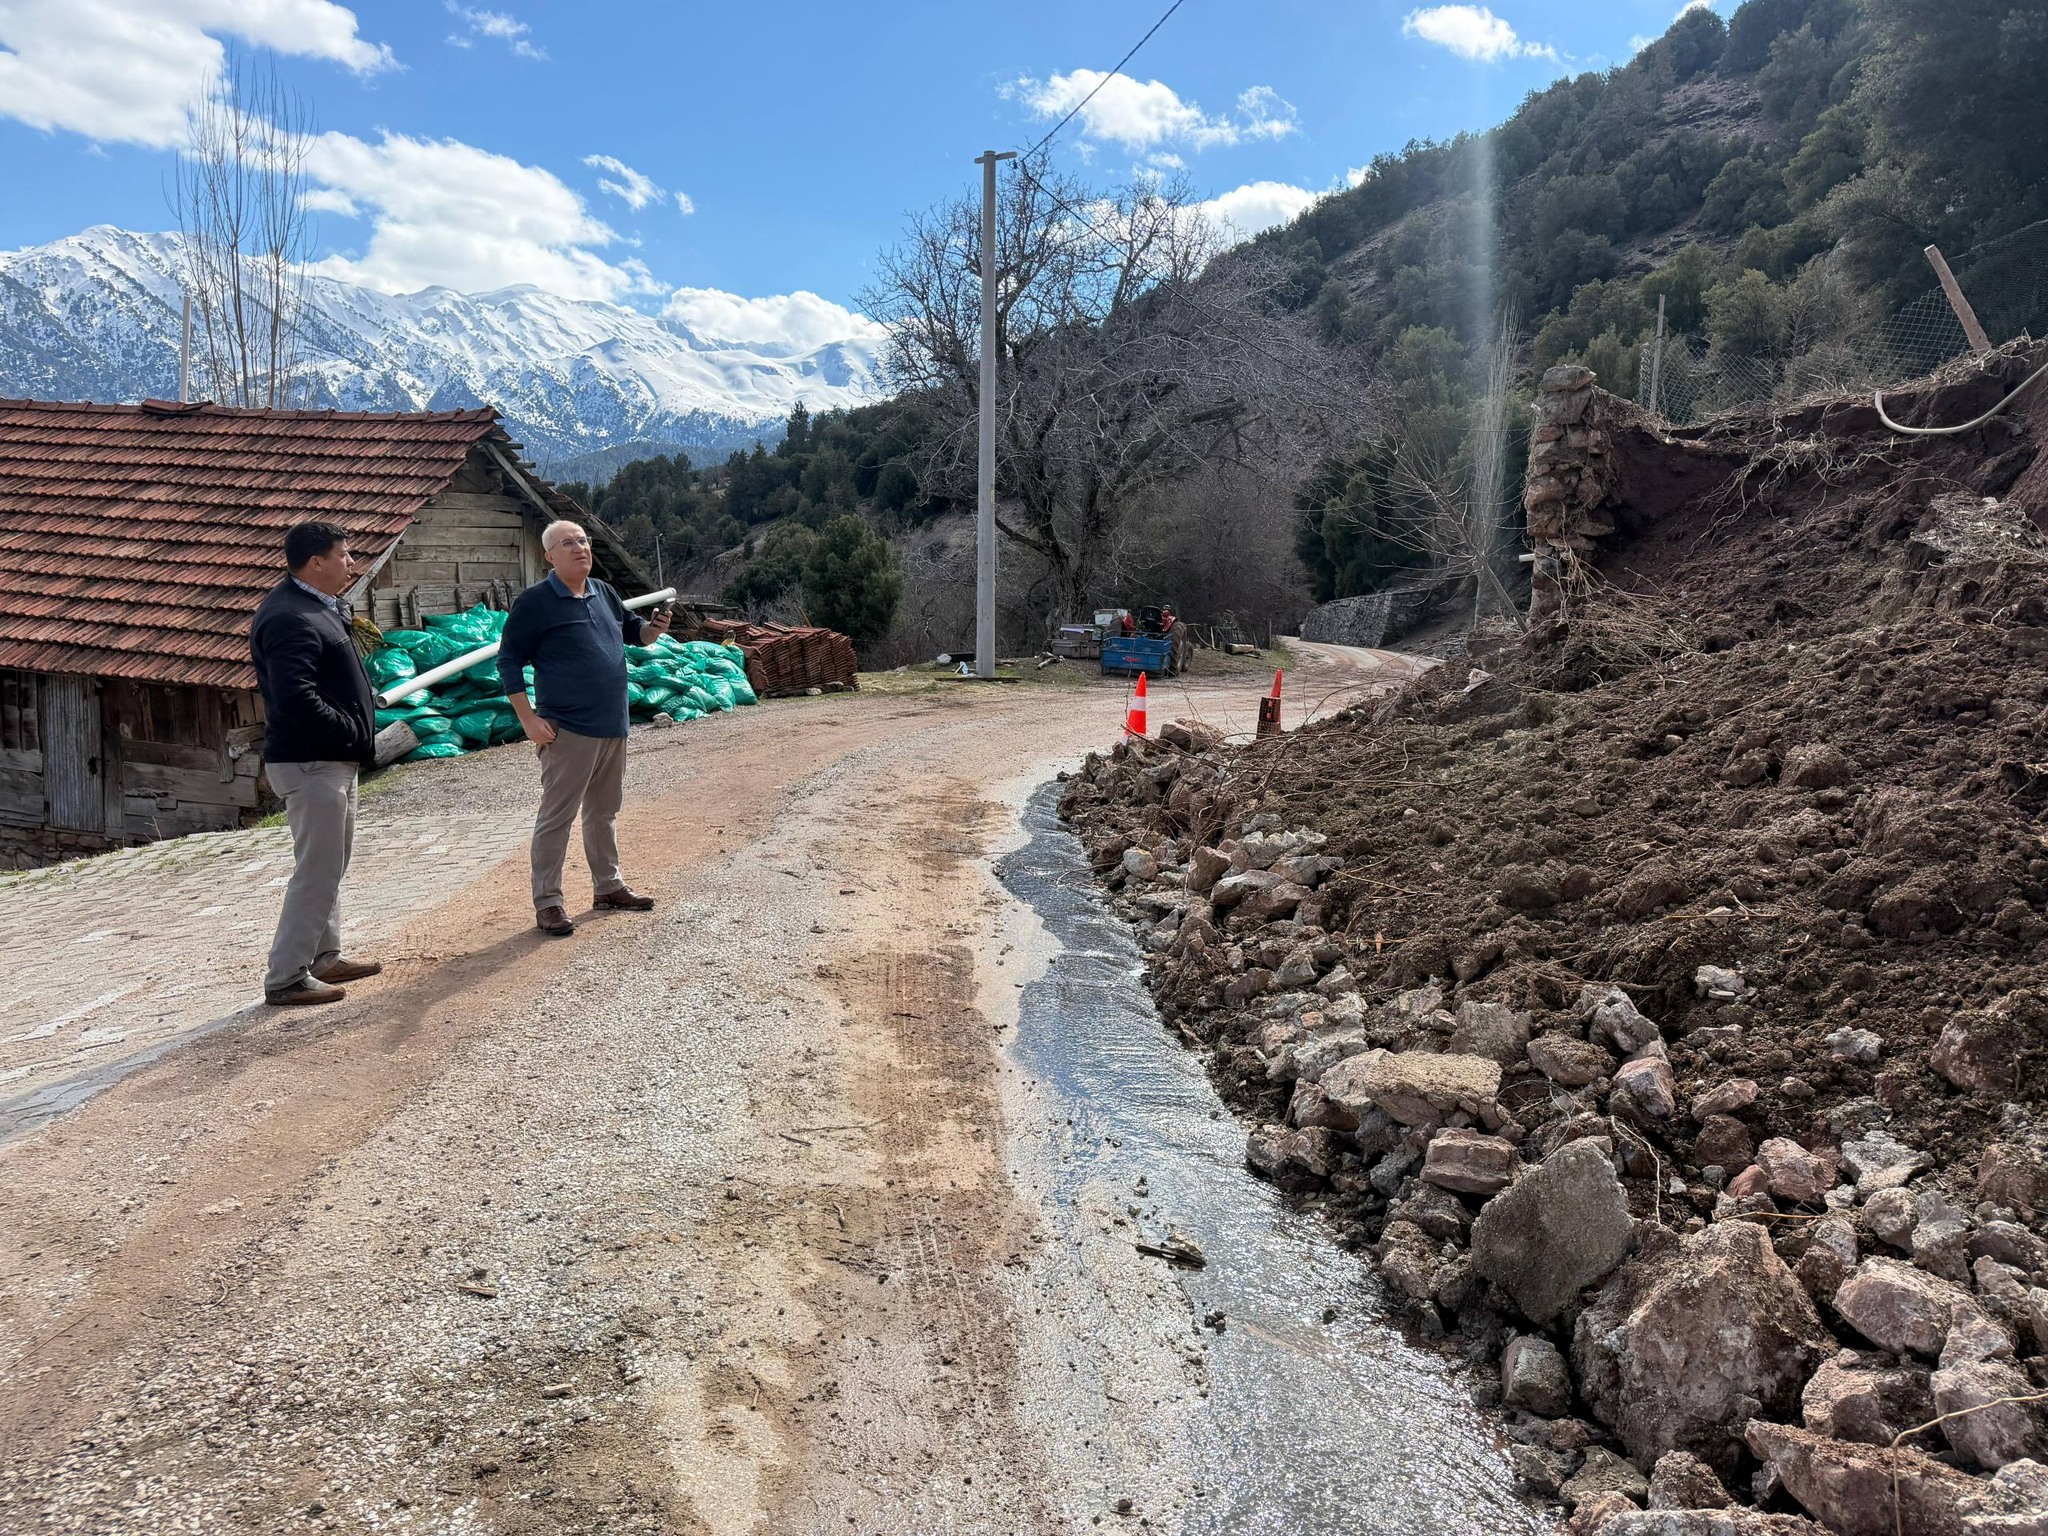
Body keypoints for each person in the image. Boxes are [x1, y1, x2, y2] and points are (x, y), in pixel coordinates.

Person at [498, 520, 671, 937]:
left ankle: (608, 887)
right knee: (557, 817)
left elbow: (635, 633)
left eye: (583, 540)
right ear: (549, 556)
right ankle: (548, 902)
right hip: (568, 729)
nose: (579, 548)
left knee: (604, 812)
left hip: (613, 724)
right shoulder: (536, 603)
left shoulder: (603, 592)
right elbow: (508, 661)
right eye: (568, 543)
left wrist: (653, 630)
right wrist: (527, 718)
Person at [248, 521, 384, 1006]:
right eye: (344, 555)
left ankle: (324, 955)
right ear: (315, 562)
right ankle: (286, 976)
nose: (352, 564)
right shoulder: (290, 617)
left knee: (331, 864)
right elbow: (295, 698)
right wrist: (350, 730)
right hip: (312, 762)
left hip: (331, 760)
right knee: (316, 870)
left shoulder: (318, 607)